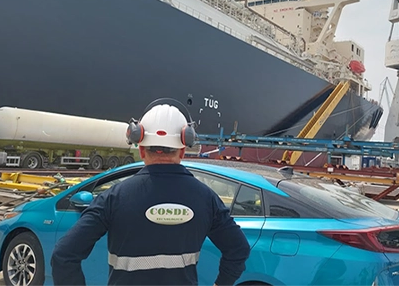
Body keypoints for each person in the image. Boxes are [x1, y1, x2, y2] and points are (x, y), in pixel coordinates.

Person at [51, 100, 251, 286]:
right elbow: (238, 249)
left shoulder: (114, 198)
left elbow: (64, 256)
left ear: (141, 149)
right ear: (182, 151)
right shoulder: (207, 199)